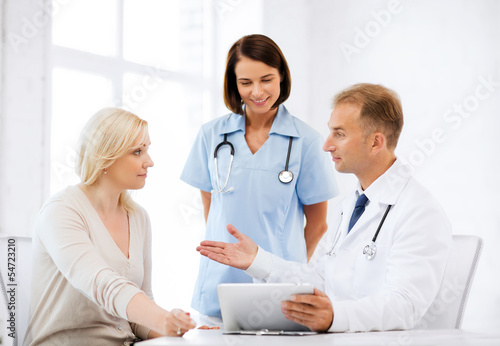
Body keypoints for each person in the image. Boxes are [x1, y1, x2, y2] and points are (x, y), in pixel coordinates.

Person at [197, 83, 453, 332]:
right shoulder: (351, 204)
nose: (326, 144)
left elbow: (405, 305)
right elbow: (321, 279)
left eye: (339, 134)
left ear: (376, 143)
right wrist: (258, 260)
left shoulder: (419, 211)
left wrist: (335, 316)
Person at [181, 34, 338, 319]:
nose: (257, 91)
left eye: (266, 79)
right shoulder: (211, 135)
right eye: (245, 82)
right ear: (233, 84)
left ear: (281, 78)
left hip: (278, 287)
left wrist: (289, 269)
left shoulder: (307, 141)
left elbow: (318, 224)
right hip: (220, 280)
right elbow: (212, 207)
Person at [25, 108, 196, 345]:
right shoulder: (61, 211)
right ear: (104, 157)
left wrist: (174, 330)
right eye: (137, 151)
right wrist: (162, 318)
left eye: (147, 149)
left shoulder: (138, 217)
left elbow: (138, 311)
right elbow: (101, 284)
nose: (150, 162)